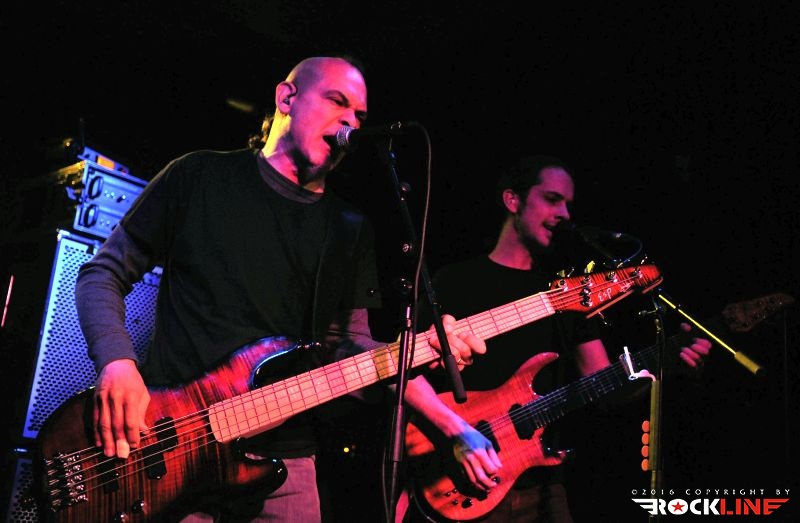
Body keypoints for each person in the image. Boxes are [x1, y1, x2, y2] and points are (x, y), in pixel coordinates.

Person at [74, 55, 485, 522]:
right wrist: (117, 362)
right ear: (286, 97)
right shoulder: (198, 176)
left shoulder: (349, 229)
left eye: (359, 115)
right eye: (337, 101)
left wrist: (418, 351)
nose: (350, 122)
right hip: (174, 443)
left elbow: (345, 345)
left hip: (285, 462)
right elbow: (102, 274)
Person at [398, 155, 711, 522]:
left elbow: (603, 386)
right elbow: (404, 371)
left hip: (544, 485)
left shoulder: (569, 293)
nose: (564, 213)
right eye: (552, 199)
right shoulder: (455, 280)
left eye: (568, 204)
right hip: (458, 476)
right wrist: (455, 432)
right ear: (513, 200)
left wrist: (663, 362)